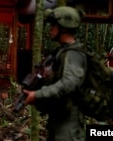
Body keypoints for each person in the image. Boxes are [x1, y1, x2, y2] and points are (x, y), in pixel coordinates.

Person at [23, 6, 86, 141]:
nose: (50, 28)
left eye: (54, 25)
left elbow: (68, 83)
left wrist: (38, 94)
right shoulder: (61, 52)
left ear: (63, 28)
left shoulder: (74, 54)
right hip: (58, 117)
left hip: (68, 125)